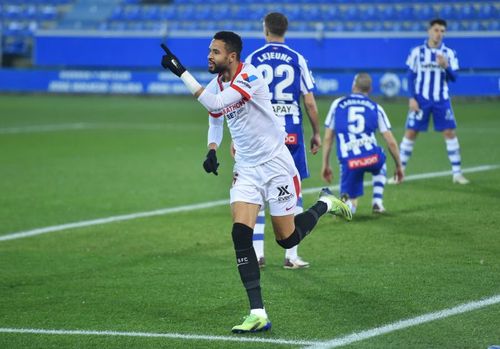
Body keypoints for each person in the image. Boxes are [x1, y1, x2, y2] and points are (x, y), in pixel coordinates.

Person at [160, 31, 352, 333]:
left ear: (232, 56)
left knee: (287, 239)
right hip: (247, 170)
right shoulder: (219, 82)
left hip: (277, 167)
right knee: (240, 234)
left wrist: (181, 72)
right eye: (209, 51)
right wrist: (212, 148)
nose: (209, 56)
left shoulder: (250, 77)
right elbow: (215, 115)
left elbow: (215, 103)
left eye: (215, 52)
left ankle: (325, 203)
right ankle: (258, 312)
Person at [244, 12, 321, 270]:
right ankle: (291, 256)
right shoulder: (297, 59)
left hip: (260, 135)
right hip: (291, 134)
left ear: (265, 29)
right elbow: (309, 101)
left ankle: (257, 254)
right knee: (293, 192)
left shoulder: (253, 59)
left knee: (257, 190)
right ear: (285, 30)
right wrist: (316, 132)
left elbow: (242, 98)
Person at [398, 18, 469, 184]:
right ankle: (399, 172)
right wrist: (411, 98)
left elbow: (454, 77)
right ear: (429, 31)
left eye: (442, 31)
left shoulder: (449, 53)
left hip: (441, 100)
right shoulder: (417, 52)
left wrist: (446, 66)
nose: (439, 34)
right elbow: (410, 77)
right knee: (410, 133)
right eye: (436, 30)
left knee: (450, 133)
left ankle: (457, 173)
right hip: (420, 100)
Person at [322, 73, 404, 214]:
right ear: (370, 89)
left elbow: (328, 138)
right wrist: (399, 166)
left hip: (350, 163)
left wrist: (325, 164)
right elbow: (391, 142)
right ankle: (377, 202)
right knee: (381, 159)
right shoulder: (375, 107)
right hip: (372, 158)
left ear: (354, 86)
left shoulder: (338, 104)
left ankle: (342, 203)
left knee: (349, 208)